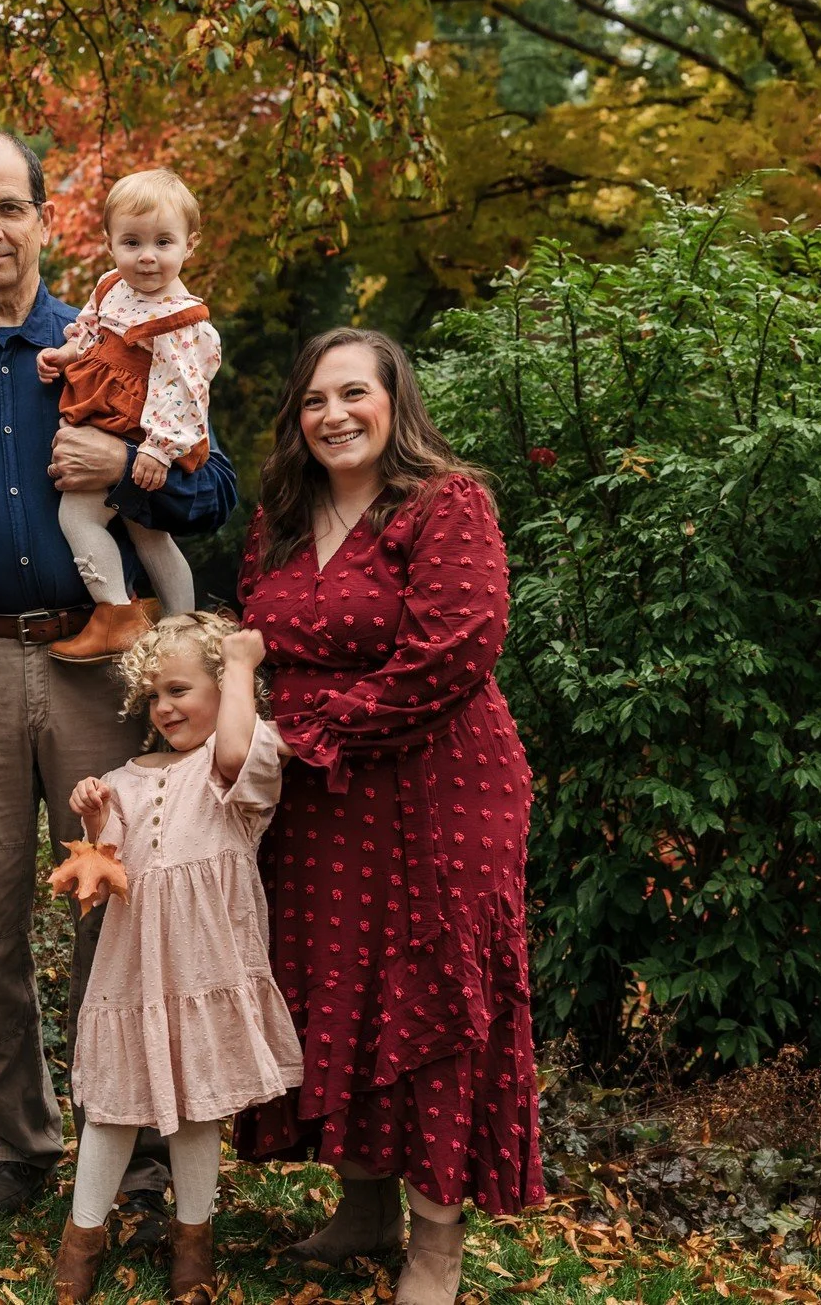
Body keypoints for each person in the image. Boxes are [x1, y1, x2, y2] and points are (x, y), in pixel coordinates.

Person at [0, 131, 240, 1235]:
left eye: (8, 207)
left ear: (44, 218)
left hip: (104, 660)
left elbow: (211, 483)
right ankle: (17, 1141)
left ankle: (119, 1138)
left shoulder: (116, 329)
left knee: (116, 910)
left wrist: (127, 468)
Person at [233, 328, 544, 1305]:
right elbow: (253, 643)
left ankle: (435, 1241)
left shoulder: (447, 505)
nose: (333, 415)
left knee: (431, 1000)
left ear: (393, 402)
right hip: (319, 806)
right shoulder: (281, 517)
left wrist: (307, 731)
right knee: (334, 988)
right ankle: (361, 1205)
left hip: (435, 791)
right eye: (314, 400)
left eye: (352, 394)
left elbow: (450, 654)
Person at [45, 613, 304, 1302]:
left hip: (204, 970)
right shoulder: (127, 776)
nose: (164, 707)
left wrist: (243, 664)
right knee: (110, 1106)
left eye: (181, 689)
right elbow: (110, 859)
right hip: (133, 976)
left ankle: (194, 1235)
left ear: (224, 690)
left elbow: (235, 752)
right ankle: (83, 1235)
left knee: (199, 1107)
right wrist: (94, 815)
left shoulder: (235, 770)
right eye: (154, 693)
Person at [35, 169, 220, 662]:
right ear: (110, 243)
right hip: (113, 417)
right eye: (132, 241)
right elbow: (95, 336)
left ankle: (118, 613)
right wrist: (67, 354)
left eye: (163, 241)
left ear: (190, 245)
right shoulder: (113, 286)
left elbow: (184, 390)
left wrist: (157, 450)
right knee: (148, 535)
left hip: (144, 434)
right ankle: (184, 635)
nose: (147, 256)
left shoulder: (182, 320)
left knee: (77, 515)